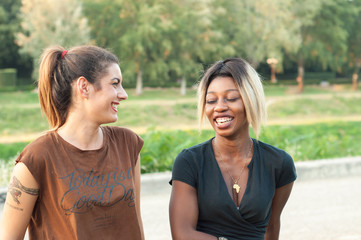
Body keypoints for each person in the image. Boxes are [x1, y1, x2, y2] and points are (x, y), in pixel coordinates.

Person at [0, 45, 145, 239]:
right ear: (84, 86)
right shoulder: (37, 158)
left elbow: (136, 222)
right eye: (115, 83)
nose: (123, 94)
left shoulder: (128, 144)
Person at [169, 58, 297, 240]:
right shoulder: (190, 162)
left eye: (231, 98)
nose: (219, 107)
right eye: (211, 100)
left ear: (250, 100)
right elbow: (182, 235)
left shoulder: (278, 163)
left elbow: (272, 228)